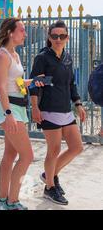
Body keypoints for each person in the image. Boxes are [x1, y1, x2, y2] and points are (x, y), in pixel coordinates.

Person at [29, 20, 85, 206]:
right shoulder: (42, 57)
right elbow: (34, 84)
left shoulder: (68, 57)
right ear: (49, 37)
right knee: (53, 150)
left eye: (62, 36)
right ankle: (50, 188)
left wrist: (78, 104)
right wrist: (35, 107)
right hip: (48, 110)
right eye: (55, 36)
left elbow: (71, 84)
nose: (58, 39)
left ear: (67, 37)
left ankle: (49, 175)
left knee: (77, 147)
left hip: (65, 110)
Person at [0, 18, 35, 210]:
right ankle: (12, 201)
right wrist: (8, 114)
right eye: (22, 30)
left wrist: (32, 81)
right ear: (10, 33)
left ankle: (2, 200)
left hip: (18, 108)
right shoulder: (2, 56)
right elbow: (0, 87)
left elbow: (13, 83)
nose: (25, 34)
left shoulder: (14, 55)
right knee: (27, 156)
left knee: (10, 155)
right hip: (10, 109)